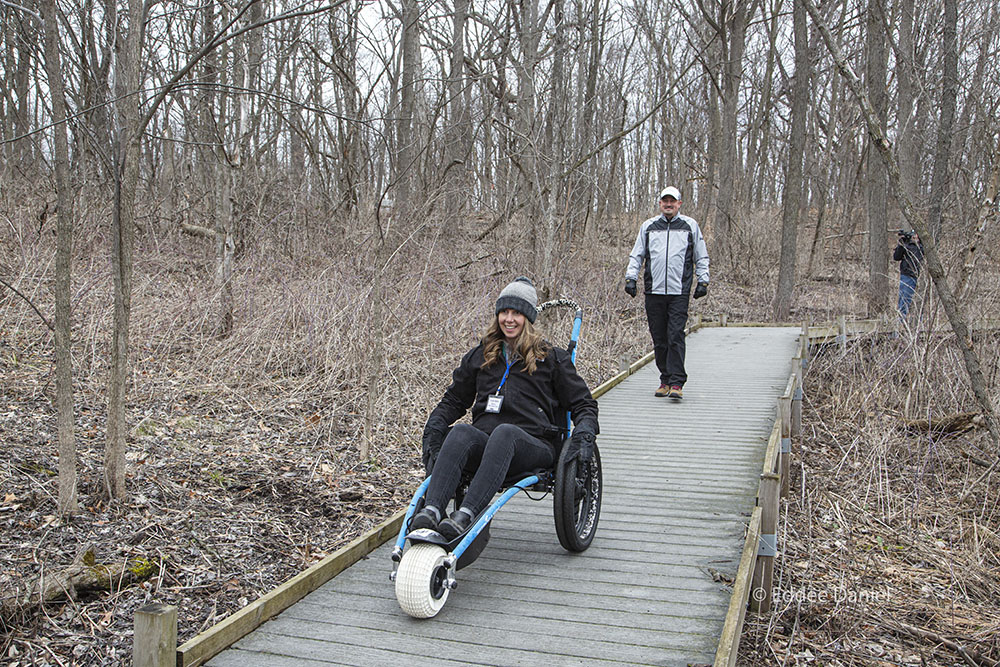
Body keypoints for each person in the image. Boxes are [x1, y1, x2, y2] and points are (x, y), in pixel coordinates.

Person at [411, 277, 600, 540]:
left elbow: (583, 404)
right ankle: (430, 511)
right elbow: (454, 400)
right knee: (462, 432)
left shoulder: (551, 358)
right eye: (504, 312)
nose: (509, 319)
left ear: (528, 318)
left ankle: (465, 516)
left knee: (505, 433)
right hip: (488, 444)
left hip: (532, 445)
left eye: (517, 313)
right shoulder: (482, 354)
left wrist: (584, 435)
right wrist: (434, 427)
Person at [624, 186, 710, 400]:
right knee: (659, 338)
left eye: (672, 201)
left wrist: (703, 281)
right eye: (665, 201)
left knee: (675, 335)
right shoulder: (649, 227)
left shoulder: (690, 226)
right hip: (654, 291)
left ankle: (677, 383)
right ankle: (665, 380)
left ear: (679, 203)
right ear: (660, 203)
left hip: (679, 291)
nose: (668, 204)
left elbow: (701, 255)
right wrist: (631, 278)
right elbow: (637, 255)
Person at [893, 230, 923, 321]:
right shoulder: (907, 245)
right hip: (907, 274)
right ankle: (901, 320)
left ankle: (917, 320)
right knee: (904, 298)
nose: (915, 237)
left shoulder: (921, 247)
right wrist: (902, 244)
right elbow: (896, 257)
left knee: (916, 300)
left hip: (918, 275)